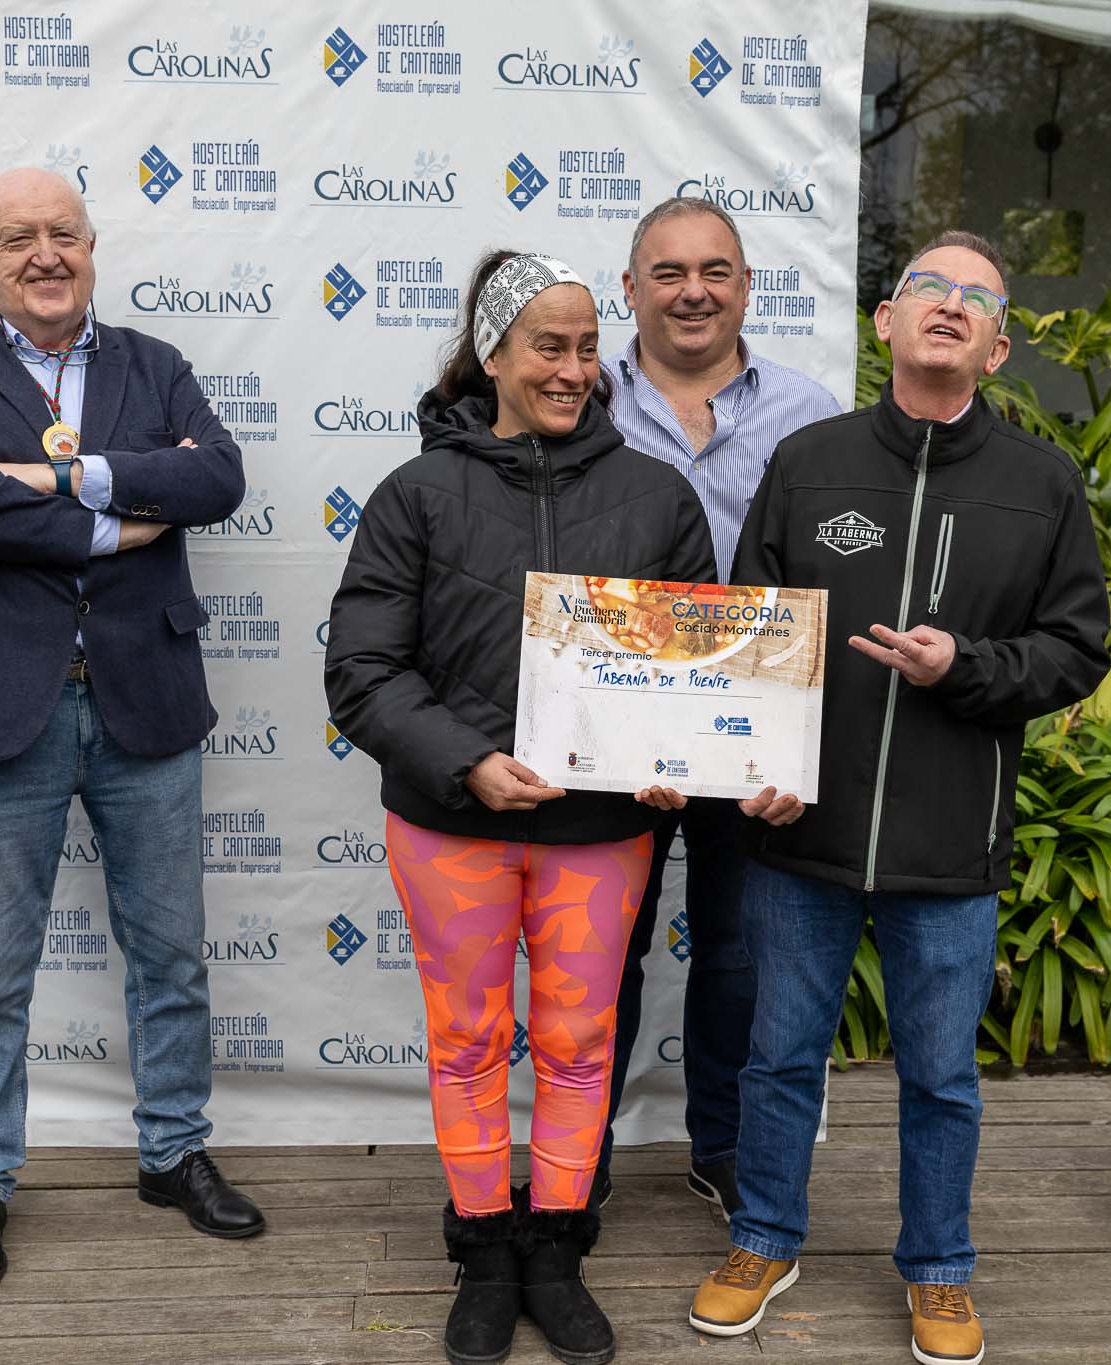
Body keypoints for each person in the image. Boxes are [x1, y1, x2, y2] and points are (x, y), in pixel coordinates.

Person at [686, 231, 1109, 1365]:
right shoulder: (810, 461)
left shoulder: (1039, 485)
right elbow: (749, 638)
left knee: (940, 1076)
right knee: (777, 1059)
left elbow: (1074, 651)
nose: (948, 305)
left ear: (998, 347)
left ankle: (937, 1268)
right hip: (799, 837)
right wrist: (754, 770)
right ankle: (762, 1238)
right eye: (927, 286)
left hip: (947, 843)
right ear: (884, 321)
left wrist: (961, 667)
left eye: (975, 297)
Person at [324, 250, 716, 1365]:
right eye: (548, 346)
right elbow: (361, 669)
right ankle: (482, 1245)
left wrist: (673, 755)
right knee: (465, 1040)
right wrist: (469, 763)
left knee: (581, 1041)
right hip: (453, 823)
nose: (572, 369)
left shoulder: (655, 495)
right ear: (491, 353)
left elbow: (690, 672)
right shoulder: (415, 495)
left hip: (599, 831)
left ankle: (555, 1244)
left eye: (588, 348)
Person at [0, 168, 258, 1294]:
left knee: (171, 952)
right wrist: (113, 522)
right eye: (17, 239)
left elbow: (220, 480)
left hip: (143, 696)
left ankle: (172, 1152)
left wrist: (58, 474)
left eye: (64, 235)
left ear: (93, 246)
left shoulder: (157, 365)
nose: (45, 255)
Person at [597, 196, 840, 1215]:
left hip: (752, 731)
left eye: (713, 272)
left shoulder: (810, 412)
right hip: (611, 727)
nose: (691, 292)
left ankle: (723, 1146)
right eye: (666, 273)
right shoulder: (579, 394)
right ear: (629, 290)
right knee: (600, 949)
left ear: (744, 286)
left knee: (739, 953)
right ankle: (578, 1152)